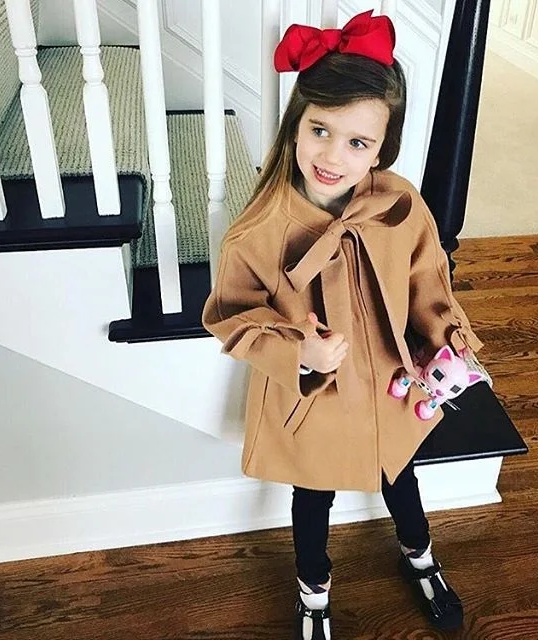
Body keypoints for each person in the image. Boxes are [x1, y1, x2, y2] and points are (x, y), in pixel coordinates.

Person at [203, 9, 483, 639]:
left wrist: (449, 342)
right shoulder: (258, 232)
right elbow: (233, 318)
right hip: (315, 399)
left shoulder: (399, 205)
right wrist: (299, 351)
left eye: (358, 143)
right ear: (296, 125)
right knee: (313, 496)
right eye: (320, 130)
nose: (333, 155)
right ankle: (313, 593)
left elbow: (427, 281)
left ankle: (421, 556)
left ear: (382, 148)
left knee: (400, 473)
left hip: (390, 382)